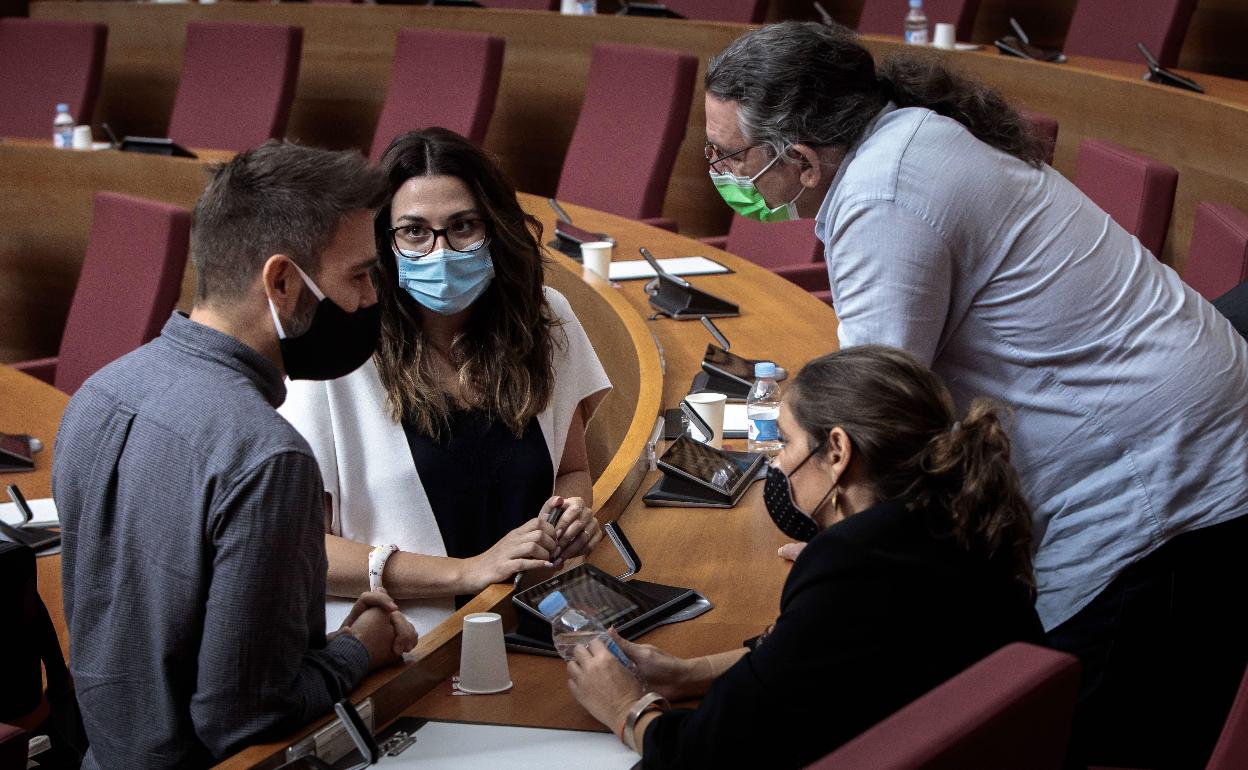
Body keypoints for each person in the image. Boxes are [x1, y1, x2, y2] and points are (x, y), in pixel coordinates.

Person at [701, 21, 1248, 767]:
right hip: (1176, 440)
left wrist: (838, 547)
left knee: (1068, 737)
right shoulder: (905, 134)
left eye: (728, 154)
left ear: (797, 156)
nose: (718, 168)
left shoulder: (883, 196)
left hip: (1160, 495)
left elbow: (873, 425)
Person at [53, 142, 418, 769]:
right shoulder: (269, 457)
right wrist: (363, 646)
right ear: (281, 282)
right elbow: (244, 717)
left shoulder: (99, 392)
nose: (368, 301)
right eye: (358, 276)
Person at [564, 346, 1044, 768]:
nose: (777, 462)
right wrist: (688, 673)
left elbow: (707, 753)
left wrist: (629, 709)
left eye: (788, 442)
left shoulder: (851, 565)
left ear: (837, 450)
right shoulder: (959, 521)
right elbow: (805, 661)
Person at [279, 128, 611, 634]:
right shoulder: (337, 350)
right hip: (404, 637)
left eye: (462, 226)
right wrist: (469, 571)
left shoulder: (545, 319)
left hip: (533, 615)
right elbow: (305, 550)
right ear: (383, 241)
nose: (441, 251)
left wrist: (571, 517)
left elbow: (571, 473)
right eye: (414, 231)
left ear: (493, 227)